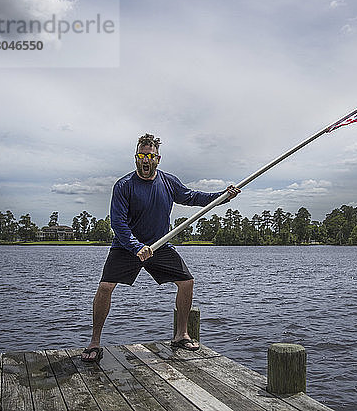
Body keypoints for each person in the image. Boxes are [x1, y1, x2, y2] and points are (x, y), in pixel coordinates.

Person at [81, 133, 240, 362]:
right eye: (141, 155)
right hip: (127, 247)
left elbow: (192, 197)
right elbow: (118, 223)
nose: (146, 160)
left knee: (187, 282)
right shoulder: (124, 185)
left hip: (159, 246)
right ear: (136, 158)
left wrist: (223, 196)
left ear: (158, 159)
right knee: (105, 287)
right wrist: (136, 247)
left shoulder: (167, 182)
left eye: (151, 156)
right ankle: (95, 341)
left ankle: (181, 335)